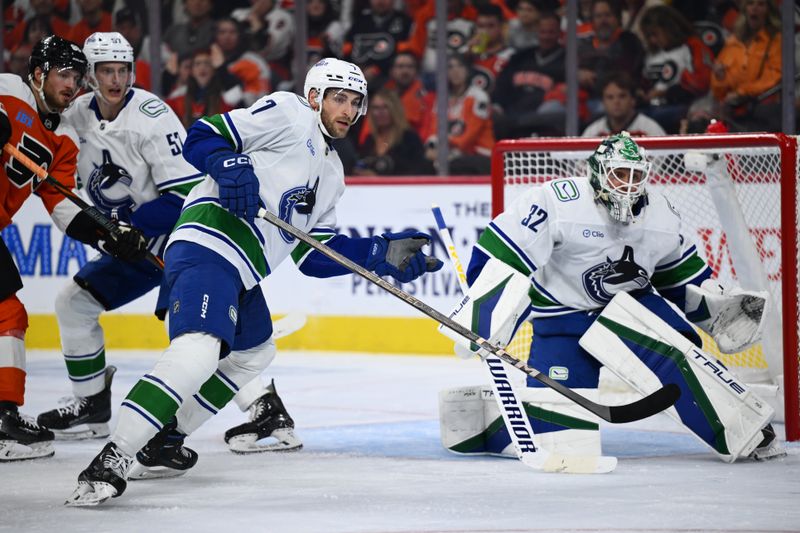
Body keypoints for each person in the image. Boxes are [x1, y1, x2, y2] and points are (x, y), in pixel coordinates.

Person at [66, 58, 443, 506]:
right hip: (208, 242)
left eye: (355, 102)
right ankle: (113, 456)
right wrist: (227, 163)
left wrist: (380, 256)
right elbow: (203, 136)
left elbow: (312, 255)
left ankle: (163, 439)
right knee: (199, 349)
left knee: (255, 350)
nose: (347, 109)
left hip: (242, 270)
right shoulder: (288, 112)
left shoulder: (332, 173)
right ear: (315, 97)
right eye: (339, 98)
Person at [440, 132, 784, 465]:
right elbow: (501, 253)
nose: (628, 184)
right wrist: (485, 313)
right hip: (563, 322)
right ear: (598, 173)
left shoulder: (661, 215)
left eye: (636, 175)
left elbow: (678, 279)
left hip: (634, 312)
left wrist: (717, 309)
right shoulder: (559, 201)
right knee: (563, 441)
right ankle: (490, 421)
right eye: (620, 173)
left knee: (685, 359)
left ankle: (746, 427)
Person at [34, 32, 204, 441]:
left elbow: (186, 194)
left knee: (200, 331)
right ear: (90, 76)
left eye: (123, 69)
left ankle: (263, 405)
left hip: (177, 241)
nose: (116, 79)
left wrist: (138, 229)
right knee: (73, 304)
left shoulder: (152, 114)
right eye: (106, 70)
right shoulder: (76, 113)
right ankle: (92, 403)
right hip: (129, 243)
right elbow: (38, 125)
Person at [0, 35, 148, 462]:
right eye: (63, 74)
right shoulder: (8, 91)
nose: (71, 85)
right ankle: (4, 419)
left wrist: (108, 234)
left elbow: (62, 203)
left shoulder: (63, 137)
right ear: (39, 74)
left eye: (77, 77)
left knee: (7, 313)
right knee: (7, 312)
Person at [639, 5, 713, 134]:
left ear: (669, 28)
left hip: (686, 105)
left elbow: (702, 83)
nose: (653, 40)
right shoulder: (652, 54)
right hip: (652, 106)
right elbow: (644, 81)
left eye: (655, 34)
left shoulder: (692, 47)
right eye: (649, 36)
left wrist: (670, 92)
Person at [709, 0, 781, 132]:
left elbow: (773, 77)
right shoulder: (732, 42)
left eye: (761, 4)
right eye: (750, 4)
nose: (754, 8)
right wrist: (720, 78)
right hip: (732, 107)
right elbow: (718, 89)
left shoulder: (776, 40)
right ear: (744, 10)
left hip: (761, 105)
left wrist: (741, 92)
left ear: (768, 10)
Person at [354, 89, 433, 176]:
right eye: (376, 108)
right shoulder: (370, 140)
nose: (380, 112)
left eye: (385, 107)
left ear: (394, 110)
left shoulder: (409, 138)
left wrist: (379, 179)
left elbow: (419, 170)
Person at [581, 72, 665, 136]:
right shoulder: (593, 132)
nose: (616, 102)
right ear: (603, 102)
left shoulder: (650, 129)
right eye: (610, 97)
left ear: (633, 100)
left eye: (622, 96)